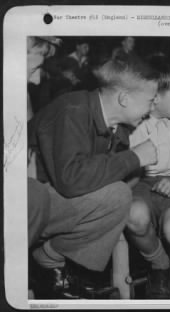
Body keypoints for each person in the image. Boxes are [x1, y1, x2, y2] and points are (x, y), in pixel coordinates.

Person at [28, 52, 159, 299]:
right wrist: (134, 158)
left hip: (51, 201)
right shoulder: (73, 109)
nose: (152, 109)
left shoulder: (116, 128)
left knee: (118, 196)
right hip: (27, 205)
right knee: (118, 194)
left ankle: (49, 262)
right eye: (151, 101)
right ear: (124, 98)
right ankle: (49, 268)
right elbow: (71, 179)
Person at [126, 56, 170, 299]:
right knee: (134, 216)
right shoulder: (134, 121)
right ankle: (160, 265)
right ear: (155, 97)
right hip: (141, 183)